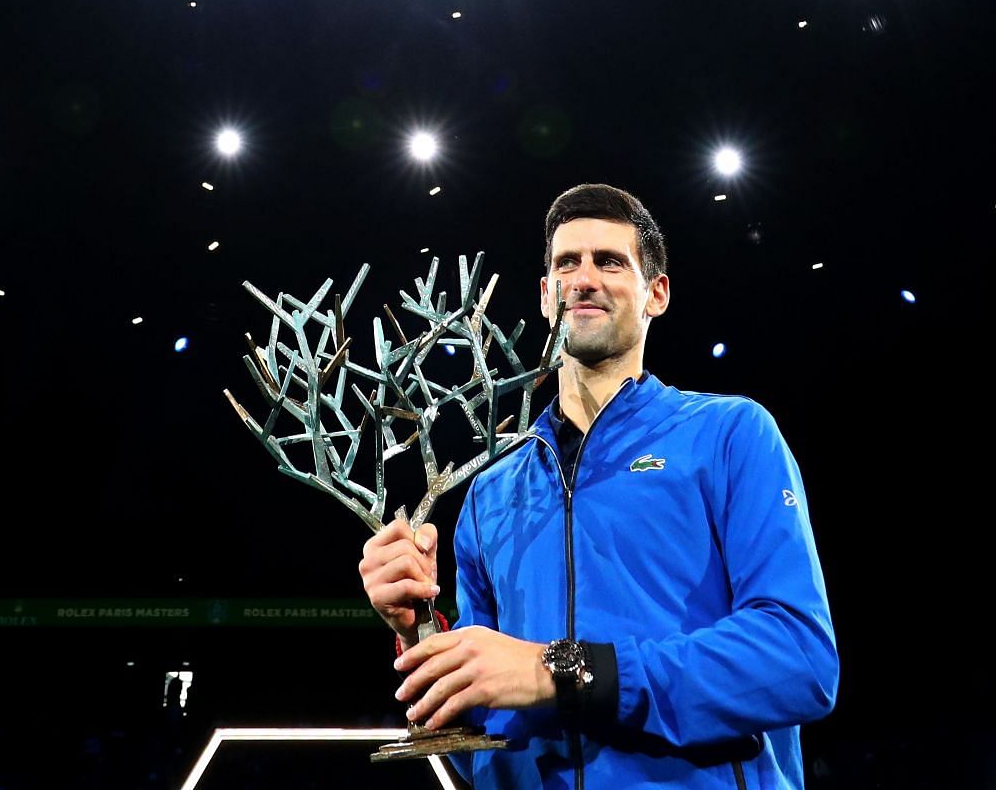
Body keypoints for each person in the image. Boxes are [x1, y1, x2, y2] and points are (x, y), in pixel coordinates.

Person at [359, 183, 838, 788]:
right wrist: (417, 628)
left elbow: (798, 661)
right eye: (566, 263)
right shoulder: (488, 493)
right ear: (544, 295)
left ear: (655, 294)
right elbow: (480, 742)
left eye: (610, 262)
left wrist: (558, 670)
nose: (583, 278)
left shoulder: (729, 435)